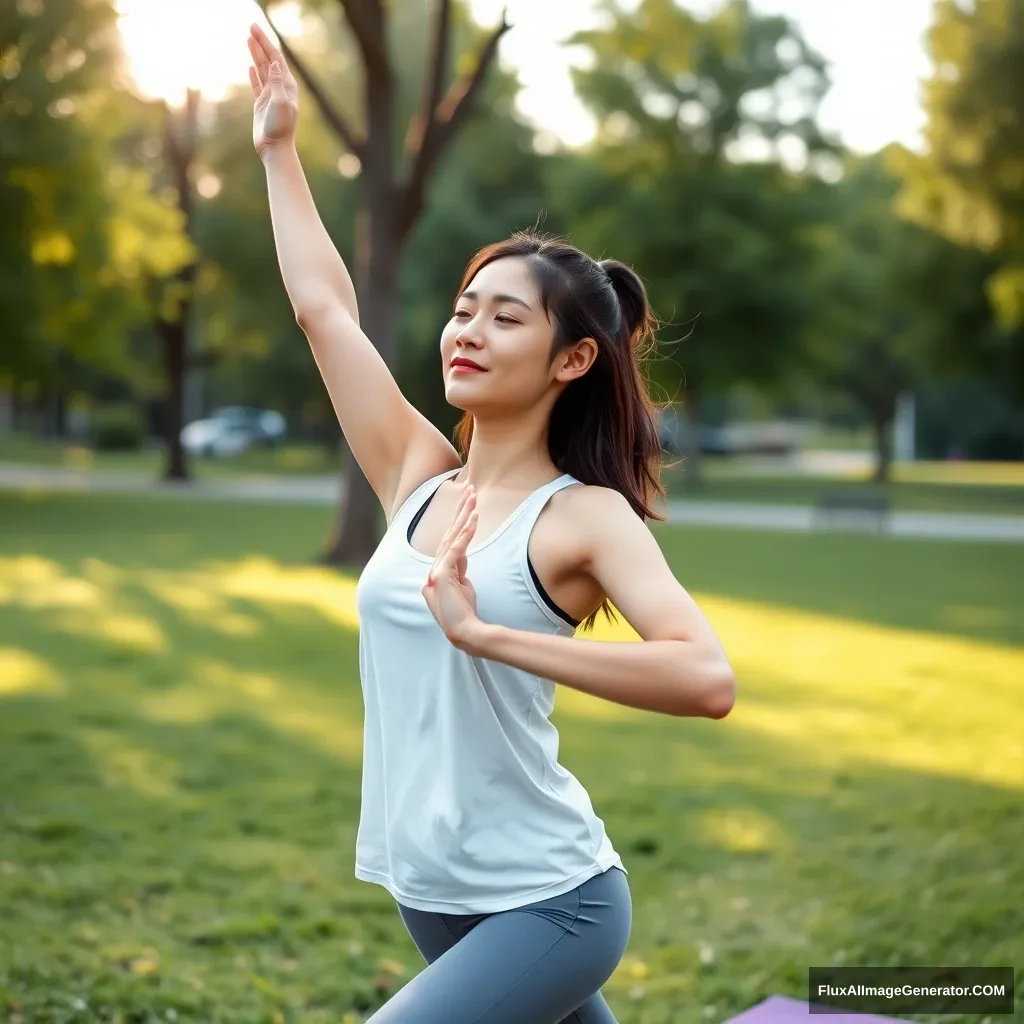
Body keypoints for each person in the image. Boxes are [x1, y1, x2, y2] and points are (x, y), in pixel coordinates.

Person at [247, 23, 736, 1024]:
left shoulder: (583, 520)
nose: (468, 329)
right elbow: (322, 311)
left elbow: (705, 676)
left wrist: (485, 632)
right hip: (431, 892)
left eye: (506, 317)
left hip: (550, 902)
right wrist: (279, 149)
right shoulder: (418, 477)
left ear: (571, 360)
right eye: (465, 308)